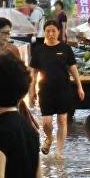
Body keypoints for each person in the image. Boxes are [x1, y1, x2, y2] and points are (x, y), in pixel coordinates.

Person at [29, 20, 85, 156]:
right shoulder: (39, 50)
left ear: (59, 32)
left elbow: (73, 69)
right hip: (45, 90)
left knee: (62, 120)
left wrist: (79, 87)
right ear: (44, 32)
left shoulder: (65, 49)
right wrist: (31, 90)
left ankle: (59, 152)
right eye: (48, 31)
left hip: (63, 89)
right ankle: (49, 137)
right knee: (47, 122)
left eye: (54, 31)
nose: (51, 34)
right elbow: (34, 72)